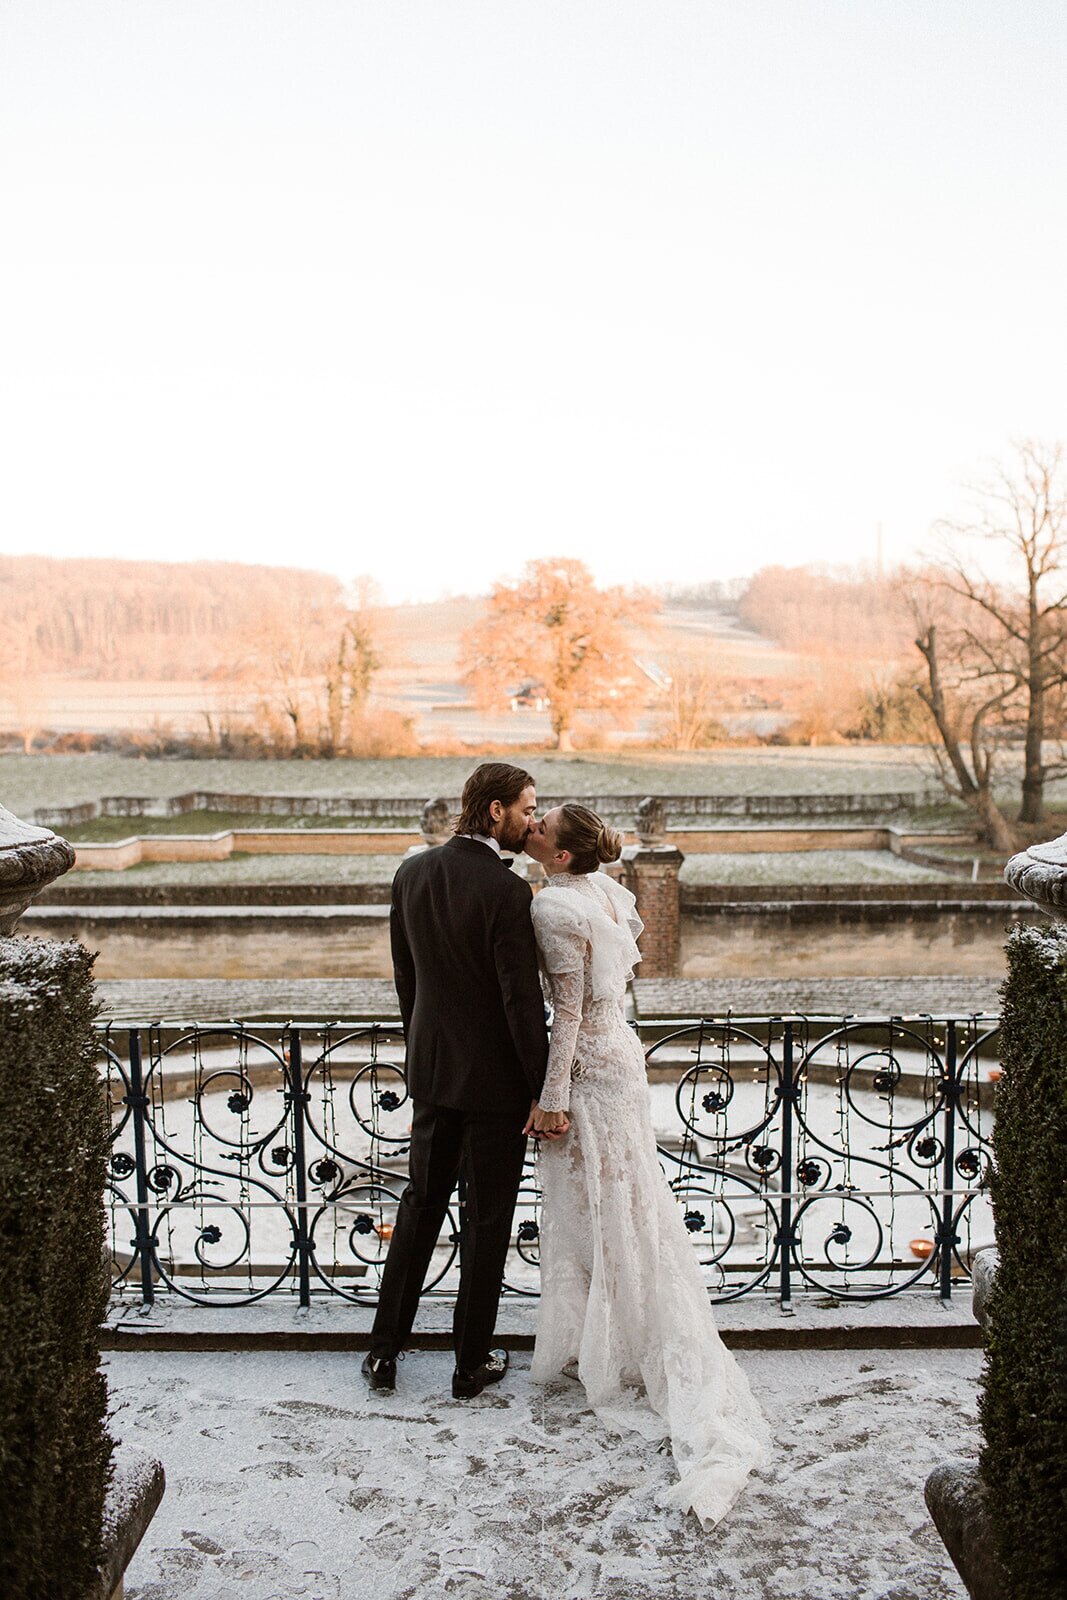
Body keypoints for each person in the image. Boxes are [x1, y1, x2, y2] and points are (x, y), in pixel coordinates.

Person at [523, 802, 769, 1527]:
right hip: (622, 1058)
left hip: (589, 1071)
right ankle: (617, 1335)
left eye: (541, 827)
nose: (531, 827)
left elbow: (568, 1011)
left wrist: (551, 1098)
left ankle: (614, 1348)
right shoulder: (604, 889)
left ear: (560, 856)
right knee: (627, 1203)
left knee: (594, 1208)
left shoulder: (553, 907)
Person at [363, 762, 551, 1400]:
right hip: (495, 1087)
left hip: (434, 1073)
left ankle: (383, 1352)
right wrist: (542, 1086)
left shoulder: (411, 872)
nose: (532, 819)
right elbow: (520, 1002)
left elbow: (407, 980)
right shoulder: (508, 891)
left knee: (419, 1207)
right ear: (496, 811)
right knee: (486, 1220)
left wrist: (425, 1049)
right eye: (528, 808)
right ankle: (470, 1364)